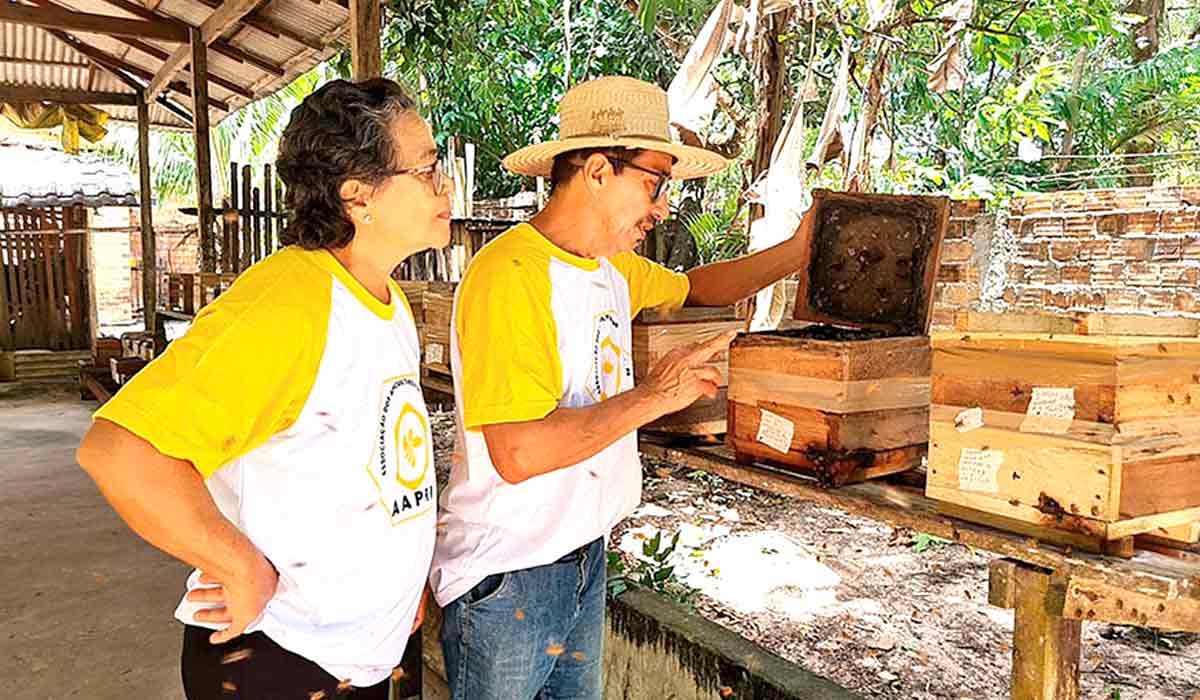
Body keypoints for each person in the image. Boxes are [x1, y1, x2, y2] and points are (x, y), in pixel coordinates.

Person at [430, 75, 817, 700]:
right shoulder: (510, 275)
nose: (663, 207)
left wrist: (797, 251)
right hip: (509, 575)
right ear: (598, 172)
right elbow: (518, 452)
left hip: (581, 556)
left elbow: (695, 289)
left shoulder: (611, 267)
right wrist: (657, 395)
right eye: (654, 184)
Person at [75, 78, 448, 699]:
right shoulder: (289, 302)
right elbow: (121, 452)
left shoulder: (386, 303)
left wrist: (404, 585)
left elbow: (379, 466)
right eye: (428, 169)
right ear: (359, 195)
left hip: (357, 655)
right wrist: (236, 564)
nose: (444, 186)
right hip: (280, 658)